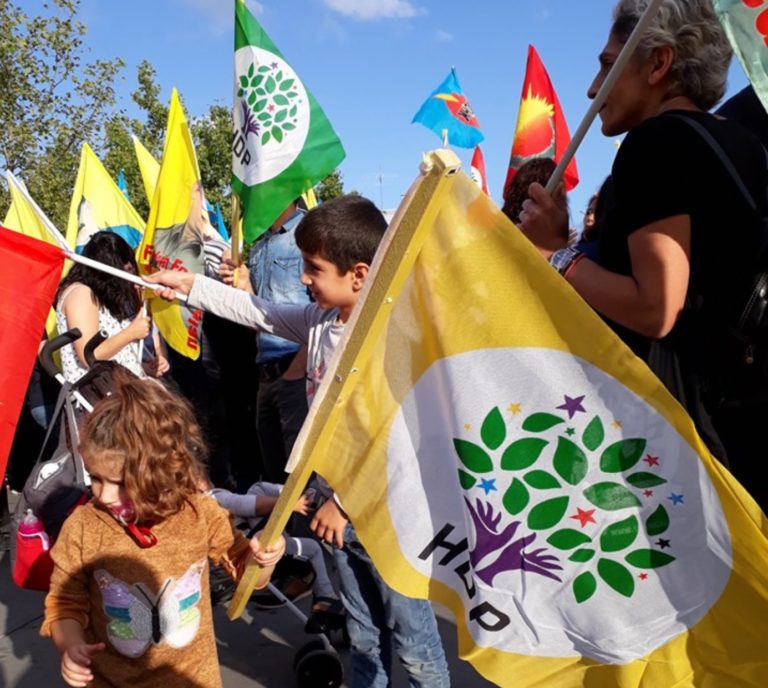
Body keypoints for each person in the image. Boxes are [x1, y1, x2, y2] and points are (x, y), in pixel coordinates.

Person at [148, 195, 451, 688]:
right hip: (333, 513)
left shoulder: (388, 338)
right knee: (364, 634)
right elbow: (258, 310)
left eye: (313, 268)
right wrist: (191, 286)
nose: (304, 278)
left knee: (414, 643)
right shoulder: (319, 324)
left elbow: (395, 439)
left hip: (387, 518)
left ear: (358, 274)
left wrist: (346, 504)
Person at [518, 0, 768, 512]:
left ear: (658, 64)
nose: (592, 88)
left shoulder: (656, 141)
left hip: (692, 431)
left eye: (608, 65)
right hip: (745, 409)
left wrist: (554, 253)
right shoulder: (743, 143)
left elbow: (657, 308)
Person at [41, 371, 284, 688]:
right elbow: (63, 603)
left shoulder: (201, 514)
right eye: (94, 478)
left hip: (192, 679)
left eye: (119, 484)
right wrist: (70, 646)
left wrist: (264, 559)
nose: (103, 494)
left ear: (162, 474)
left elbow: (248, 577)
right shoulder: (84, 526)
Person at [220, 199, 310, 483]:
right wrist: (244, 285)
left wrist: (299, 367)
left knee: (302, 477)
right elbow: (260, 312)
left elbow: (328, 309)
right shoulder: (259, 246)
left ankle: (302, 530)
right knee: (275, 476)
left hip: (299, 368)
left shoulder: (310, 233)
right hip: (266, 372)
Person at [209, 480, 345, 631]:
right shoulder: (211, 500)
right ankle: (326, 596)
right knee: (313, 548)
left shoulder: (206, 501)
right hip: (253, 554)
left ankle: (320, 594)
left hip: (254, 544)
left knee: (257, 488)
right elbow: (249, 505)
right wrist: (292, 504)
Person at [55, 232, 166, 383]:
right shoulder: (81, 294)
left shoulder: (105, 295)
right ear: (106, 273)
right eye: (124, 271)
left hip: (125, 388)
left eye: (131, 269)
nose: (130, 275)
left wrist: (145, 368)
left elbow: (116, 356)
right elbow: (90, 355)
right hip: (101, 397)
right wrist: (132, 332)